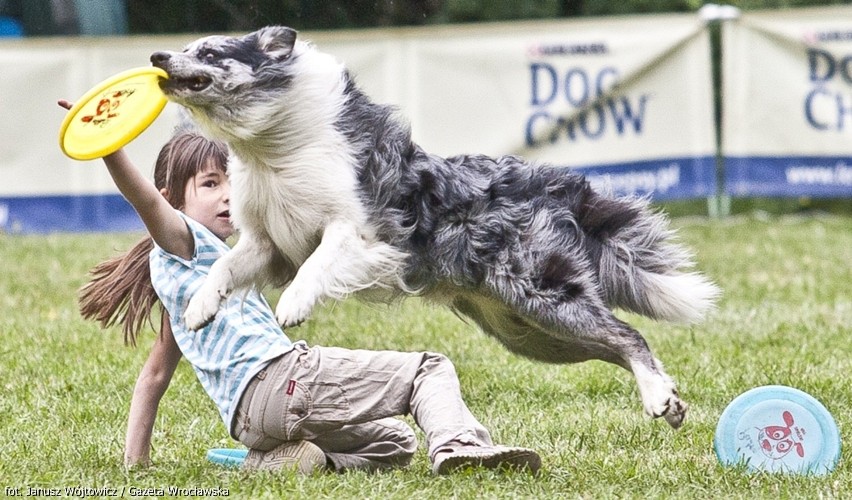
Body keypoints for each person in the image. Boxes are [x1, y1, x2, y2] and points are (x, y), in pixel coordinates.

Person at [64, 100, 541, 475]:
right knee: (428, 372)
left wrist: (136, 462)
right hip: (284, 381)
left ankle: (279, 461)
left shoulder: (188, 285)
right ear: (171, 201)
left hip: (251, 424)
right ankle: (461, 447)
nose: (229, 194)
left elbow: (153, 377)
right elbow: (143, 197)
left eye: (231, 179)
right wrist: (109, 145)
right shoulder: (186, 242)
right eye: (209, 184)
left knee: (396, 443)